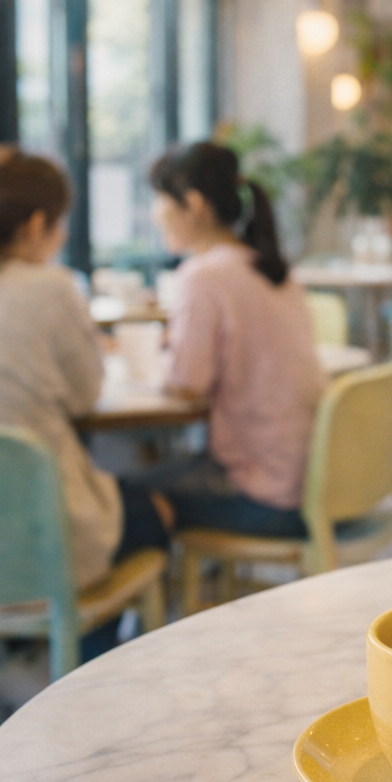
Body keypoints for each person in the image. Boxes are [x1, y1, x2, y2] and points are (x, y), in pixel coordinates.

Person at [0, 145, 171, 755]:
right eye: (60, 222)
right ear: (36, 224)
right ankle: (63, 693)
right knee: (156, 512)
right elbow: (85, 395)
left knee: (4, 523)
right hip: (38, 550)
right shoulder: (48, 289)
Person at [145, 142, 329, 537]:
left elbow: (186, 384)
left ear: (192, 205)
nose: (154, 214)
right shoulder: (272, 268)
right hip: (321, 479)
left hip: (267, 493)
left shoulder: (203, 276)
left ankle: (184, 596)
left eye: (159, 201)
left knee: (129, 491)